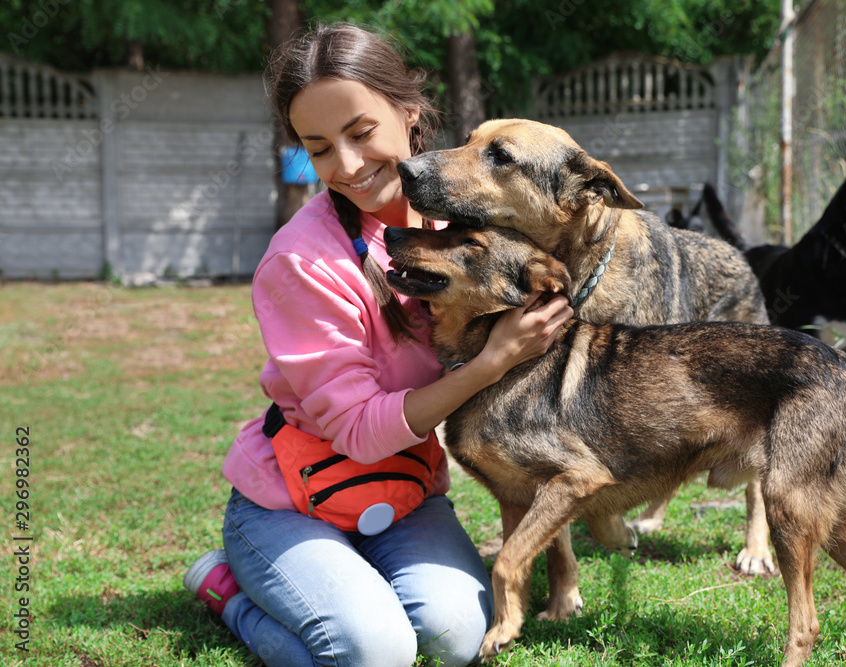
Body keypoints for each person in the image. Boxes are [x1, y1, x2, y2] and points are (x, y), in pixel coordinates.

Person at [183, 22, 573, 667]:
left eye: (361, 133)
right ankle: (230, 591)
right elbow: (360, 431)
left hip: (404, 491)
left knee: (456, 640)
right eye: (321, 148)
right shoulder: (302, 261)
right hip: (293, 500)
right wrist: (496, 359)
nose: (349, 165)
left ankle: (352, 582)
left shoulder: (470, 221)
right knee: (370, 652)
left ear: (409, 111)